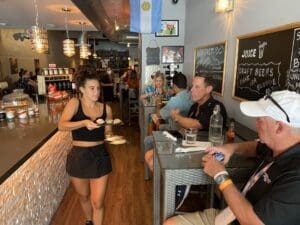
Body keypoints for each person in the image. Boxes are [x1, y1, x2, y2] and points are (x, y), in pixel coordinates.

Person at [164, 90, 300, 225]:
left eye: (260, 119)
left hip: (245, 217)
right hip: (231, 214)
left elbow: (253, 222)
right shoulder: (276, 146)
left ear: (279, 128)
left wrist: (220, 175)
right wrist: (230, 148)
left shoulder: (295, 176)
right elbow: (254, 146)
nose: (256, 123)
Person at [58, 65, 113, 225]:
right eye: (92, 88)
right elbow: (61, 125)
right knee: (83, 196)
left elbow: (108, 131)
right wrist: (83, 123)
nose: (96, 92)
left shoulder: (106, 109)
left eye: (98, 88)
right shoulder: (74, 103)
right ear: (82, 89)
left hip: (100, 156)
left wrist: (110, 136)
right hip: (79, 156)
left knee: (98, 202)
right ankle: (89, 221)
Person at [144, 72, 193, 171]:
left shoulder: (175, 100)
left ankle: (156, 167)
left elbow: (159, 115)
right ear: (186, 85)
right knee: (157, 124)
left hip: (175, 131)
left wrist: (158, 103)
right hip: (187, 131)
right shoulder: (192, 96)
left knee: (147, 139)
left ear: (174, 86)